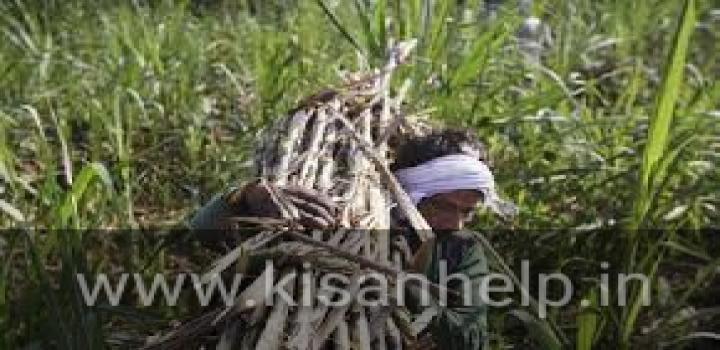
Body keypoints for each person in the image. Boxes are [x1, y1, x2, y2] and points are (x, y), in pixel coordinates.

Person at [190, 128, 511, 349]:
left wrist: (404, 297)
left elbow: (470, 336)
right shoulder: (327, 217)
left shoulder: (461, 250)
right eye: (440, 205)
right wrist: (247, 195)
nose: (454, 223)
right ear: (407, 192)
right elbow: (202, 233)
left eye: (466, 212)